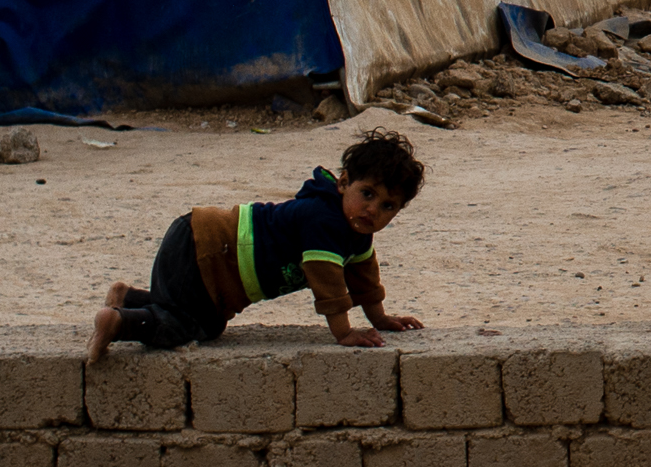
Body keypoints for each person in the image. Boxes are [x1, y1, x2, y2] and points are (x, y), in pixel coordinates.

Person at [90, 129, 430, 358]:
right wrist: (343, 334)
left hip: (205, 248)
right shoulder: (324, 221)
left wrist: (381, 318)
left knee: (204, 320)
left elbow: (364, 279)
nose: (373, 210)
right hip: (206, 250)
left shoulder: (355, 231)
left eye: (388, 206)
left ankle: (129, 298)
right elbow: (328, 283)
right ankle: (118, 323)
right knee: (189, 327)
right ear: (343, 183)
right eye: (367, 194)